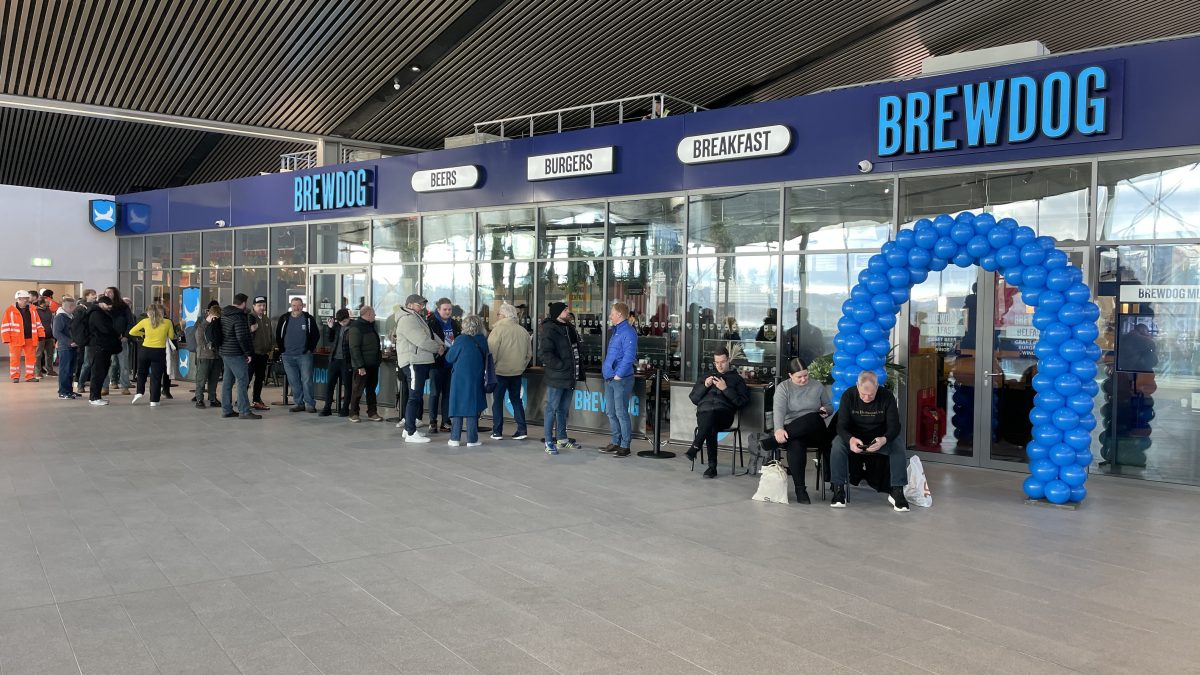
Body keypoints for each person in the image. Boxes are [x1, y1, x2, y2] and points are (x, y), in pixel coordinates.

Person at [830, 371, 908, 511]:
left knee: (898, 445)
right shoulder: (848, 395)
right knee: (837, 444)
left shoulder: (887, 396)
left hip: (879, 439)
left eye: (871, 394)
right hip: (855, 438)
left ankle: (897, 491)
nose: (866, 398)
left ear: (877, 387)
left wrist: (884, 439)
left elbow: (895, 426)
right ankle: (838, 490)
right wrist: (850, 440)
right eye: (863, 394)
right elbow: (841, 426)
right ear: (857, 386)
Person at [760, 358, 833, 503]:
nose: (803, 379)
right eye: (799, 376)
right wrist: (779, 429)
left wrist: (826, 410)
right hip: (791, 431)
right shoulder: (783, 388)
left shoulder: (817, 386)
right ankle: (800, 490)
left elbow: (829, 406)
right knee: (796, 444)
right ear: (790, 375)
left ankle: (774, 442)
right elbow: (779, 411)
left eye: (805, 375)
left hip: (815, 430)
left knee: (813, 417)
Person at [686, 347, 751, 478]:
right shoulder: (706, 376)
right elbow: (693, 398)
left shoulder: (737, 379)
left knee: (712, 418)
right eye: (717, 362)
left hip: (724, 415)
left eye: (723, 361)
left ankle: (696, 447)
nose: (720, 365)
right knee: (710, 422)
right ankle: (711, 467)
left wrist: (725, 389)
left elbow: (742, 402)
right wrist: (705, 386)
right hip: (704, 414)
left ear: (728, 361)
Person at [393, 294, 445, 443]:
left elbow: (430, 334)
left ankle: (408, 429)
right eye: (419, 304)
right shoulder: (407, 319)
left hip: (419, 361)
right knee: (414, 397)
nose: (422, 307)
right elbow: (421, 340)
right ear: (410, 305)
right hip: (413, 362)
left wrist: (440, 344)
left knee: (415, 396)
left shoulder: (416, 317)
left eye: (423, 305)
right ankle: (410, 432)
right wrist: (438, 348)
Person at [539, 302, 582, 454]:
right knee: (552, 408)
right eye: (565, 310)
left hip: (570, 375)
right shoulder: (550, 329)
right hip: (557, 376)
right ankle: (549, 441)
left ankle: (562, 439)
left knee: (563, 409)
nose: (568, 312)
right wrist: (561, 365)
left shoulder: (569, 328)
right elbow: (545, 354)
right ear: (558, 312)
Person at [441, 314, 489, 447]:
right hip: (476, 377)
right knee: (472, 407)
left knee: (457, 405)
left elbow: (449, 358)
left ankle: (455, 438)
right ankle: (472, 439)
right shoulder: (482, 340)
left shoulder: (461, 339)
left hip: (459, 378)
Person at [487, 303, 531, 440]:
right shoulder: (523, 331)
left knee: (498, 402)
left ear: (504, 315)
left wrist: (491, 368)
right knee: (516, 400)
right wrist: (521, 367)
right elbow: (529, 354)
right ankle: (522, 430)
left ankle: (497, 431)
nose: (497, 316)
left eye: (499, 314)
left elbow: (491, 353)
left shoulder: (498, 330)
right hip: (517, 373)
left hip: (500, 373)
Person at [602, 302, 639, 457]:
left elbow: (629, 357)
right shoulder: (616, 331)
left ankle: (625, 445)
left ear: (619, 315)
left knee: (621, 412)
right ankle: (616, 441)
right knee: (611, 411)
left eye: (612, 313)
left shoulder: (628, 332)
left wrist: (618, 375)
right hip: (610, 378)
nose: (610, 316)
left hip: (620, 379)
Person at [275, 296, 319, 413]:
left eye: (299, 305)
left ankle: (310, 404)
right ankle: (298, 403)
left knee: (306, 380)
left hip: (304, 356)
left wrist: (309, 349)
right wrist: (282, 350)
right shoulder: (284, 318)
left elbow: (316, 335)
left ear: (303, 306)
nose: (296, 308)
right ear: (291, 306)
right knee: (294, 381)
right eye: (294, 305)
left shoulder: (308, 319)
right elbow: (278, 335)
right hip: (287, 356)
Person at [220, 293, 260, 420]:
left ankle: (226, 409)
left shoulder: (224, 314)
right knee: (242, 381)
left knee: (227, 382)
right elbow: (241, 337)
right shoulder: (239, 316)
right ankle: (244, 410)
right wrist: (248, 353)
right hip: (236, 353)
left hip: (225, 352)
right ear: (244, 303)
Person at [127, 303, 176, 407]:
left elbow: (131, 332)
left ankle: (139, 392)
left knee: (141, 373)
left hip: (145, 350)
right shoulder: (167, 322)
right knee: (156, 377)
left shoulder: (145, 321)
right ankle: (154, 400)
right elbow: (171, 336)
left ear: (148, 313)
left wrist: (143, 334)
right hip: (159, 352)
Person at [426, 298, 461, 434]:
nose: (447, 312)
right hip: (437, 364)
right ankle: (432, 421)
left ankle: (445, 421)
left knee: (447, 394)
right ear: (438, 309)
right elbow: (428, 341)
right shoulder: (431, 323)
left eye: (449, 309)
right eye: (445, 309)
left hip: (451, 365)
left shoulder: (455, 324)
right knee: (435, 393)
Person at [347, 306, 383, 423]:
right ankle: (353, 413)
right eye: (373, 313)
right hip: (362, 366)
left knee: (371, 390)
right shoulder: (356, 327)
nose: (375, 315)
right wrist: (360, 366)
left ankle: (372, 412)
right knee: (357, 389)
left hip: (373, 364)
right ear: (368, 314)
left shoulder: (371, 326)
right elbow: (354, 348)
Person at [85, 295, 121, 405]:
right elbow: (104, 329)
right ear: (101, 304)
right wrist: (115, 333)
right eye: (108, 306)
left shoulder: (100, 313)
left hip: (102, 346)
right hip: (98, 347)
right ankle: (94, 397)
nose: (110, 308)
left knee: (102, 372)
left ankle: (97, 396)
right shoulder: (96, 314)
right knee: (98, 372)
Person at [3, 290, 45, 383]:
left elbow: (38, 323)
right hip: (15, 339)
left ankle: (29, 376)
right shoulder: (10, 310)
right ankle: (15, 376)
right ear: (18, 299)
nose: (26, 300)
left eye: (27, 298)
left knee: (31, 358)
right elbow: (5, 325)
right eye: (24, 299)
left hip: (30, 338)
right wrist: (6, 338)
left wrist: (41, 334)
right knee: (15, 359)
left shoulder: (33, 309)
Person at [321, 309, 353, 417]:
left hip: (347, 360)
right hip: (334, 359)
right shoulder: (337, 325)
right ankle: (327, 407)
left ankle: (345, 409)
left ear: (348, 318)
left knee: (348, 386)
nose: (342, 324)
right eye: (340, 322)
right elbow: (330, 339)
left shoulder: (354, 327)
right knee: (330, 384)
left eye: (343, 322)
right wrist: (330, 328)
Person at [104, 287, 135, 396]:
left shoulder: (123, 307)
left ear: (115, 293)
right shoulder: (101, 307)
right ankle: (104, 387)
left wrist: (126, 335)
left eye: (110, 292)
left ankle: (125, 386)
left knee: (124, 365)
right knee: (106, 365)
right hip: (106, 340)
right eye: (106, 292)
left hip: (121, 339)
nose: (107, 294)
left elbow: (130, 322)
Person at [193, 301, 222, 408]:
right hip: (204, 355)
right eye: (214, 317)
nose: (216, 319)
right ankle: (199, 399)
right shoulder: (202, 325)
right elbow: (199, 340)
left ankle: (212, 398)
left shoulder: (219, 324)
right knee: (201, 379)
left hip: (216, 356)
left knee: (214, 379)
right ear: (209, 314)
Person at [249, 296, 275, 411]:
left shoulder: (266, 319)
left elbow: (270, 336)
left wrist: (271, 350)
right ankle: (241, 400)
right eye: (259, 305)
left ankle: (256, 400)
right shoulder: (249, 318)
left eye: (263, 305)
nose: (262, 307)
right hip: (252, 354)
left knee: (260, 379)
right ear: (253, 306)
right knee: (247, 378)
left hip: (263, 354)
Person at [52, 296, 78, 399]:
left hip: (72, 347)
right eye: (74, 307)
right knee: (65, 370)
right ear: (70, 307)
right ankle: (63, 392)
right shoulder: (60, 317)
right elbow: (56, 333)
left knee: (70, 370)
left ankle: (69, 391)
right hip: (65, 347)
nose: (75, 309)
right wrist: (69, 342)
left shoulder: (69, 315)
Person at [75, 289, 98, 392]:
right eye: (92, 294)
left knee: (94, 363)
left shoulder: (96, 307)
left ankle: (91, 384)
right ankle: (81, 384)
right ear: (87, 296)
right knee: (87, 363)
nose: (95, 296)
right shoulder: (81, 308)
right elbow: (78, 325)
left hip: (97, 339)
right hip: (89, 340)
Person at [34, 297, 56, 377]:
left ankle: (50, 370)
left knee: (50, 354)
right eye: (47, 302)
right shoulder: (35, 311)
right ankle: (38, 372)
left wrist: (53, 336)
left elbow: (51, 323)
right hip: (40, 336)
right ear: (42, 303)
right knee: (38, 354)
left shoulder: (48, 310)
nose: (49, 303)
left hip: (49, 335)